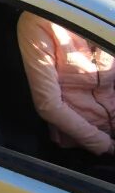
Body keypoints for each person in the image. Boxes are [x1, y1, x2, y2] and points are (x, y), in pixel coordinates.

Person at [17, 11, 115, 181]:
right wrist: (107, 146)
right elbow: (49, 105)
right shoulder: (37, 22)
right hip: (80, 147)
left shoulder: (104, 10)